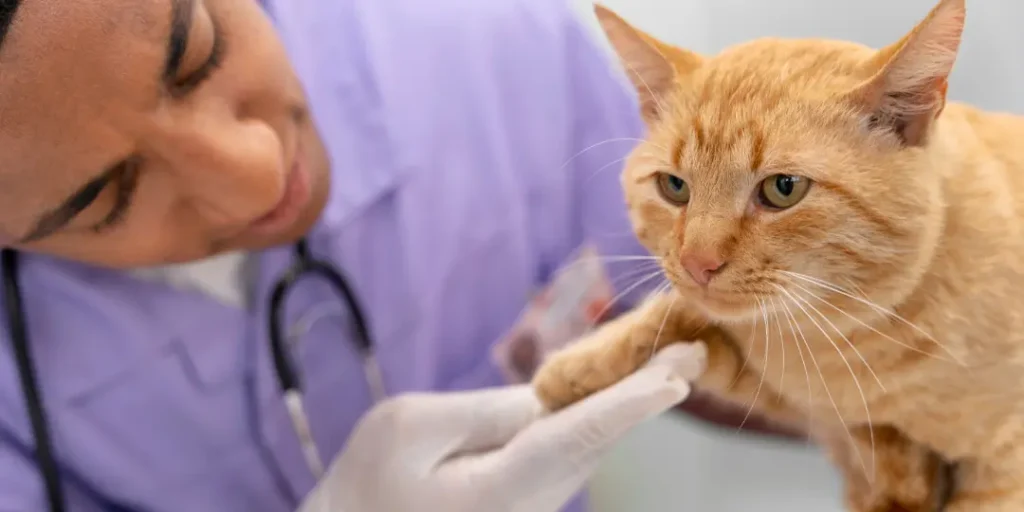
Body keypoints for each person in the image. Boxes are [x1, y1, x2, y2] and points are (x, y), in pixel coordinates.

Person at [0, 0, 706, 510]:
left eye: (197, 53)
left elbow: (694, 327)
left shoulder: (501, 48)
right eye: (107, 196)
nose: (258, 174)